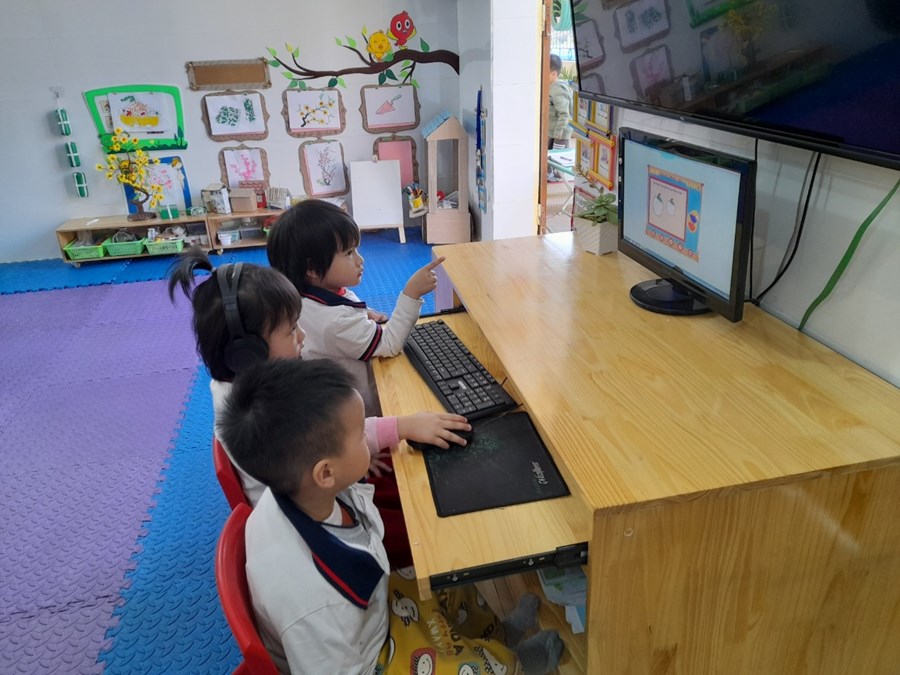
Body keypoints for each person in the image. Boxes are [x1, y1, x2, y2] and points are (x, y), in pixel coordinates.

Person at [219, 357, 566, 675]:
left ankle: (496, 635)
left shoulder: (297, 487)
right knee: (468, 668)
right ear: (325, 473)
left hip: (369, 607)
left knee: (444, 579)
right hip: (367, 658)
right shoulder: (314, 607)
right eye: (361, 435)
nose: (369, 438)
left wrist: (399, 426)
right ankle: (512, 666)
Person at [167, 247, 471, 568]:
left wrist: (383, 437)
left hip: (321, 487)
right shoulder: (272, 414)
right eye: (291, 331)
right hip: (324, 531)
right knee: (430, 525)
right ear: (248, 355)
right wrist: (402, 427)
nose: (303, 336)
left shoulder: (238, 385)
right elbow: (334, 438)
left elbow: (333, 435)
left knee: (411, 478)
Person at [266, 198, 443, 417]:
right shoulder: (336, 321)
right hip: (361, 413)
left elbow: (335, 316)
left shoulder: (303, 297)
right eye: (349, 253)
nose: (360, 260)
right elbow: (389, 344)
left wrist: (362, 314)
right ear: (311, 268)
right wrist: (411, 295)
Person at [548, 53, 573, 183]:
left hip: (560, 132)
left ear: (553, 74)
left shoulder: (557, 89)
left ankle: (557, 177)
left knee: (558, 157)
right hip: (552, 130)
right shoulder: (551, 87)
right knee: (549, 155)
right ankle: (549, 175)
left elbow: (564, 114)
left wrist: (558, 133)